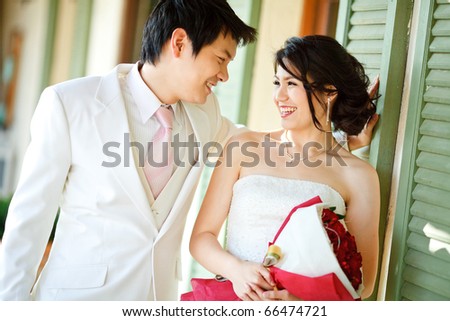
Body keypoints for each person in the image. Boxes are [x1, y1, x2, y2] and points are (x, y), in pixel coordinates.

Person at [0, 0, 257, 300]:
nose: (225, 75)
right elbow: (28, 221)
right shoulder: (69, 104)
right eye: (221, 59)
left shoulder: (205, 113)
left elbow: (248, 144)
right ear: (179, 43)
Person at [189, 35, 380, 301]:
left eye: (291, 84)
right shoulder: (243, 147)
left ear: (329, 91)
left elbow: (364, 283)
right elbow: (201, 238)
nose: (279, 96)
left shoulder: (359, 175)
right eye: (277, 82)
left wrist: (300, 302)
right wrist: (237, 271)